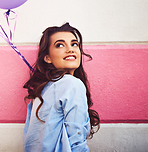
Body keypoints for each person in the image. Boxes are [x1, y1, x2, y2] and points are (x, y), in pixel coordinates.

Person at [23, 22, 100, 151]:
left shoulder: (41, 91)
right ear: (47, 58)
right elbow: (77, 142)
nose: (70, 49)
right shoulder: (72, 84)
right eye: (60, 45)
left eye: (74, 44)